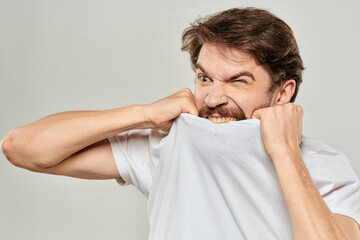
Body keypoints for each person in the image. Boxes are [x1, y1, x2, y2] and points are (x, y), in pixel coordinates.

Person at [1, 7, 360, 240]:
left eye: (237, 81)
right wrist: (143, 113)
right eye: (205, 79)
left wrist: (284, 151)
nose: (214, 97)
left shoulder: (322, 166)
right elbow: (21, 148)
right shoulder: (169, 143)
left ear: (283, 93)